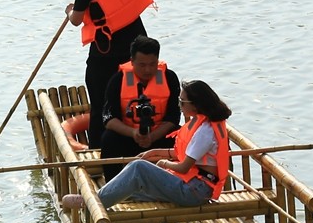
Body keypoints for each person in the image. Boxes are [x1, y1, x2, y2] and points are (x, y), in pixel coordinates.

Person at [66, 0, 155, 155]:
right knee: (138, 97)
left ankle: (98, 154)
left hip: (106, 52)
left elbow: (76, 19)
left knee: (100, 102)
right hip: (138, 45)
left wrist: (69, 9)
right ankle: (139, 145)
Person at [96, 79, 234, 215]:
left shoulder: (205, 131)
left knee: (138, 167)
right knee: (131, 191)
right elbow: (182, 154)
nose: (179, 105)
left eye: (182, 102)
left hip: (195, 191)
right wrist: (153, 152)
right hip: (194, 186)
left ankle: (93, 204)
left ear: (195, 105)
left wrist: (162, 163)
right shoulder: (202, 123)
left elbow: (184, 167)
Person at [97, 35, 181, 180]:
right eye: (142, 65)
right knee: (108, 139)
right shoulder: (118, 80)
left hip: (158, 136)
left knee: (181, 136)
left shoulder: (169, 78)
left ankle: (177, 180)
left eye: (152, 64)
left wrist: (152, 136)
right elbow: (108, 118)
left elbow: (173, 117)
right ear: (132, 61)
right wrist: (134, 133)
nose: (148, 70)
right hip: (129, 136)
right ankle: (113, 184)